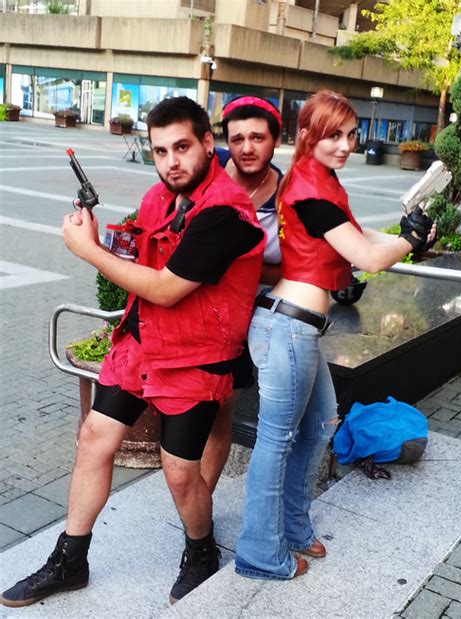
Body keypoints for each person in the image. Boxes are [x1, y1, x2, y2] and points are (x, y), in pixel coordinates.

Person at [0, 96, 265, 608]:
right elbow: (144, 257)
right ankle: (70, 560)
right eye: (161, 150)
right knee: (94, 437)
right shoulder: (159, 198)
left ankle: (201, 549)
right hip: (143, 342)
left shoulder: (227, 214)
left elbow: (166, 287)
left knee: (178, 470)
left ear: (208, 144)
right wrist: (104, 238)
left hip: (196, 355)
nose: (171, 161)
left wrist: (89, 252)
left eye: (182, 147)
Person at [234, 89, 436, 580]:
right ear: (307, 135)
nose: (346, 145)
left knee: (321, 423)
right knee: (277, 441)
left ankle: (295, 527)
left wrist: (411, 240)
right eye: (333, 136)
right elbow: (366, 259)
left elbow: (360, 238)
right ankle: (260, 552)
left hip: (299, 327)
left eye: (351, 135)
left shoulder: (321, 180)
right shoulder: (308, 187)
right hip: (286, 328)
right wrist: (407, 241)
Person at [201, 96, 283, 492]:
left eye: (257, 137)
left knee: (221, 410)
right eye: (237, 138)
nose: (247, 148)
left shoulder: (286, 194)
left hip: (245, 316)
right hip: (192, 307)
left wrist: (230, 262)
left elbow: (291, 266)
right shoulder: (209, 171)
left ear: (275, 140)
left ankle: (199, 507)